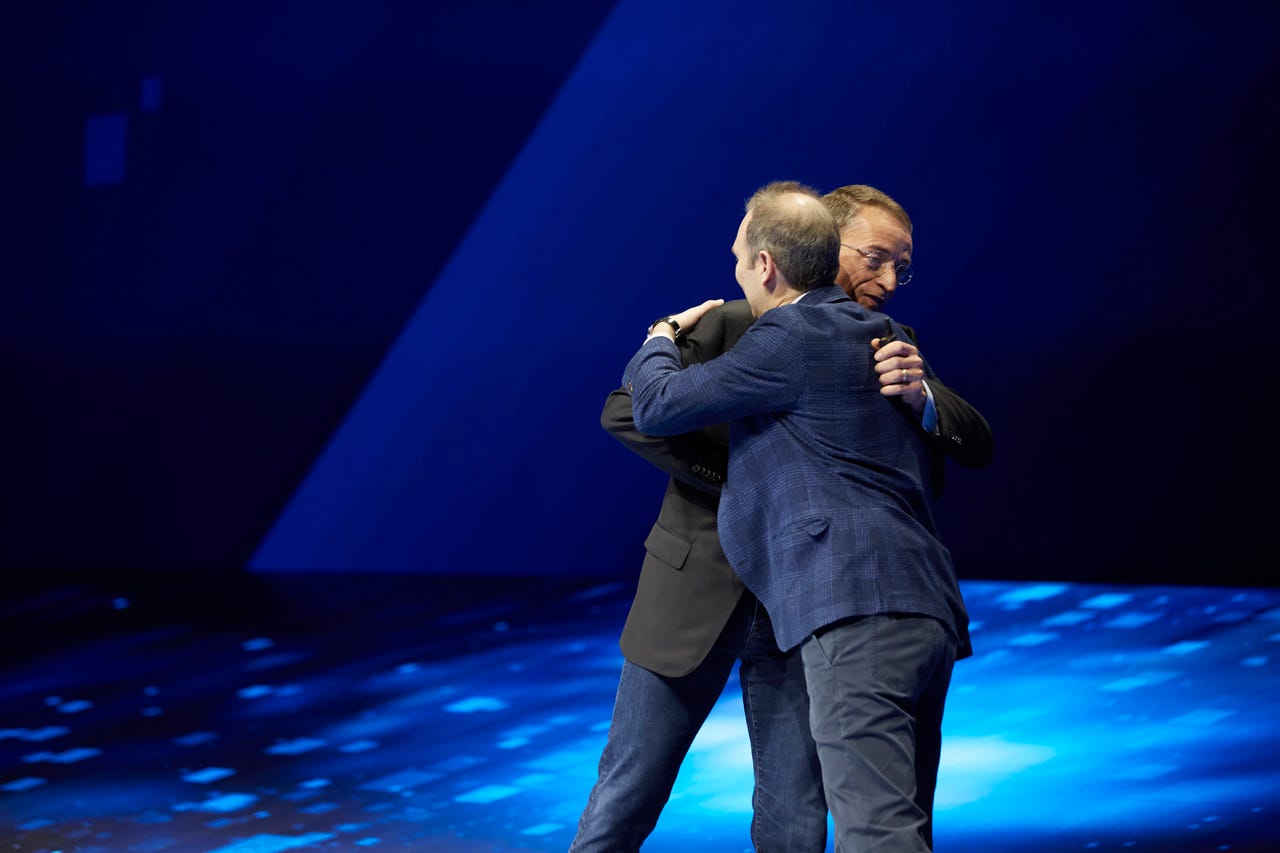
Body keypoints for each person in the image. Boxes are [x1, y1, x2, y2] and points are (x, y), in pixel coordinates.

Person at [571, 183, 991, 852]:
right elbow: (630, 410)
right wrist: (739, 483)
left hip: (817, 604)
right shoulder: (739, 323)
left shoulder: (892, 345)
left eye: (901, 268)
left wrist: (924, 395)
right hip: (701, 590)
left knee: (797, 815)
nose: (887, 280)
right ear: (826, 240)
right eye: (875, 257)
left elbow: (971, 442)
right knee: (628, 793)